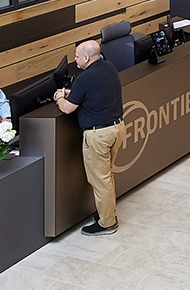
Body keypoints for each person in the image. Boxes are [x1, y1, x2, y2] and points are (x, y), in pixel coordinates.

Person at [54, 39, 125, 235]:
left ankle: (107, 223)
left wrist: (60, 97)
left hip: (98, 136)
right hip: (117, 129)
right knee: (106, 177)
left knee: (100, 181)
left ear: (86, 57)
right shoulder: (109, 67)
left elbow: (68, 108)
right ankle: (106, 213)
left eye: (76, 56)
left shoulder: (84, 79)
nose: (75, 59)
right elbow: (94, 92)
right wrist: (72, 92)